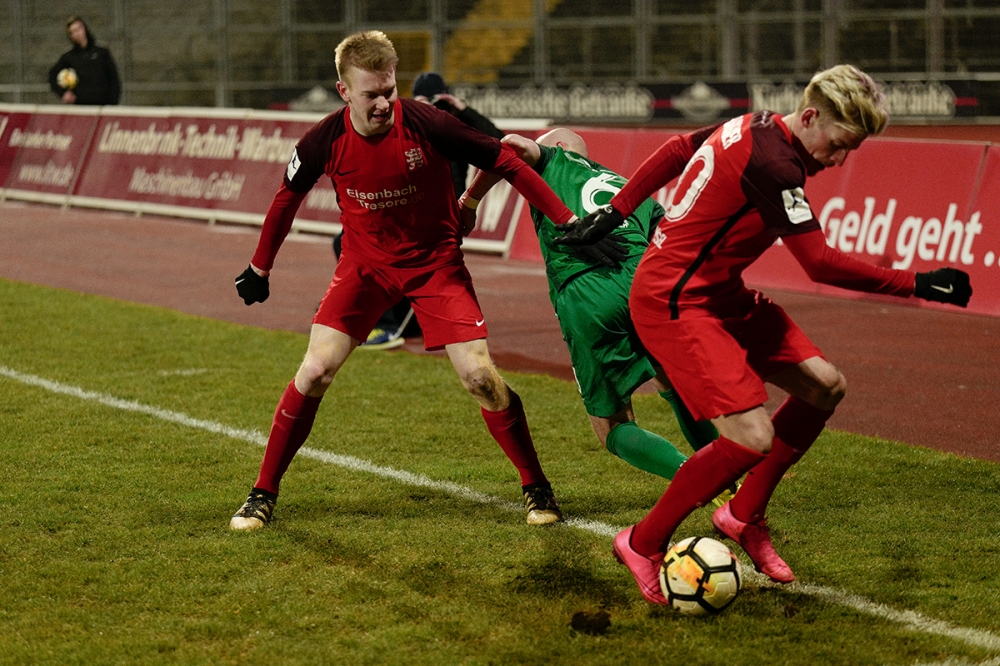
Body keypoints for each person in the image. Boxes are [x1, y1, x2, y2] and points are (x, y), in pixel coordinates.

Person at [555, 65, 972, 604]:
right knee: (751, 437)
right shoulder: (775, 164)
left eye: (852, 151)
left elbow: (678, 149)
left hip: (718, 293)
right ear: (811, 116)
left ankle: (743, 514)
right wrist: (918, 283)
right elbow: (818, 263)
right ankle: (641, 542)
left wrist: (617, 211)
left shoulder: (757, 124)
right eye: (839, 145)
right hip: (675, 302)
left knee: (824, 386)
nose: (839, 161)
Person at [230, 30, 580, 531]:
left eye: (389, 91)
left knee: (480, 378)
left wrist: (565, 219)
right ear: (343, 91)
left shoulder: (427, 122)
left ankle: (536, 486)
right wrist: (259, 267)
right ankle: (262, 493)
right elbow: (287, 198)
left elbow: (505, 159)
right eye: (371, 94)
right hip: (364, 269)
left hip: (435, 265)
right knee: (314, 372)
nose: (383, 104)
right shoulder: (322, 140)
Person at [461, 128, 723, 485]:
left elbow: (510, 146)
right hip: (649, 284)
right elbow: (675, 241)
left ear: (558, 146)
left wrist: (469, 201)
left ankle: (697, 479)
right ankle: (728, 475)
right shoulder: (628, 185)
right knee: (675, 383)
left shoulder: (554, 160)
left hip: (589, 291)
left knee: (612, 425)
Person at [336, 72, 505, 351]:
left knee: (392, 253)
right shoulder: (405, 120)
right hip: (406, 206)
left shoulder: (453, 124)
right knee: (349, 241)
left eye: (436, 99)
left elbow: (500, 144)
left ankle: (389, 325)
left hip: (440, 213)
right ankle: (391, 317)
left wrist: (464, 111)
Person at [48, 16, 121, 106]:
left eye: (78, 29)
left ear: (84, 28)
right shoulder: (69, 57)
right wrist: (63, 93)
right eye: (72, 32)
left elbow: (114, 78)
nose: (76, 34)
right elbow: (52, 75)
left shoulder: (102, 52)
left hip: (103, 106)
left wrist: (113, 103)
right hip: (81, 107)